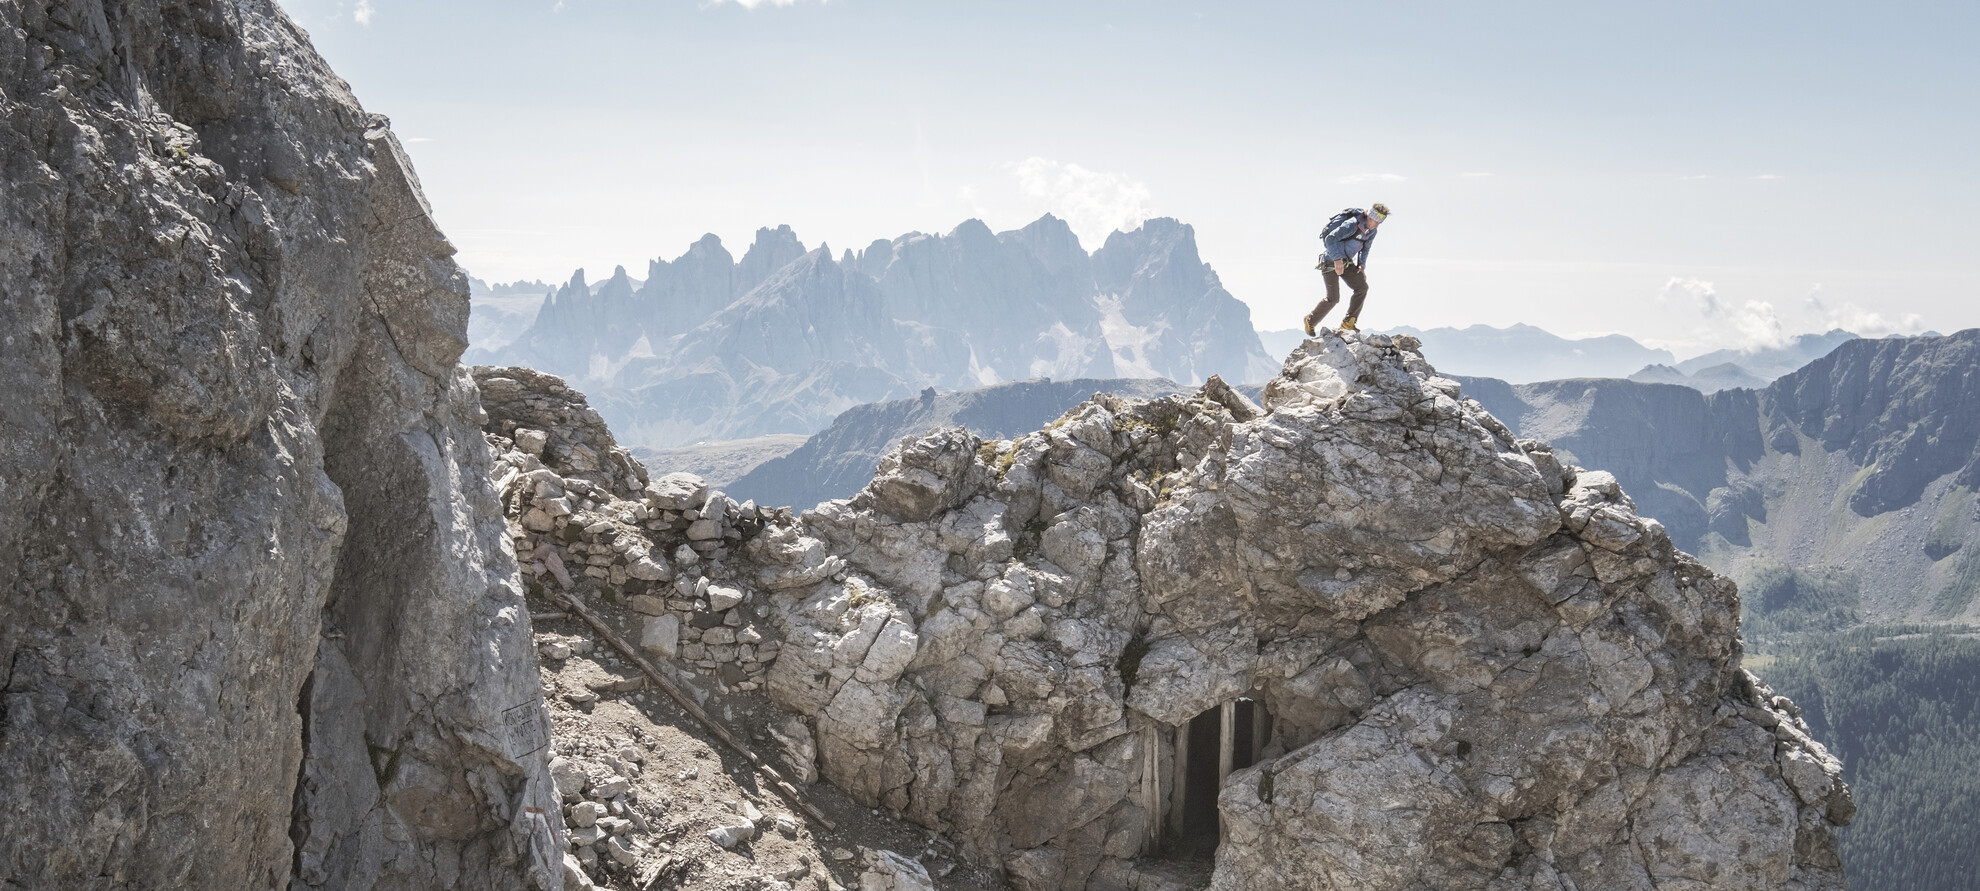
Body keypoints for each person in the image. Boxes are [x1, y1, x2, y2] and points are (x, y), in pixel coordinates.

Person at [1303, 203, 1390, 336]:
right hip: (1330, 261)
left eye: (1380, 222)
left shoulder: (1372, 231)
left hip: (1347, 262)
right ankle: (1310, 320)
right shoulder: (1352, 224)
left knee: (1362, 288)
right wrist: (1337, 259)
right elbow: (1330, 239)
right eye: (1375, 221)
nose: (1377, 225)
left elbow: (1365, 249)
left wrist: (1362, 266)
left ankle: (1348, 323)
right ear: (1369, 217)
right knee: (1333, 298)